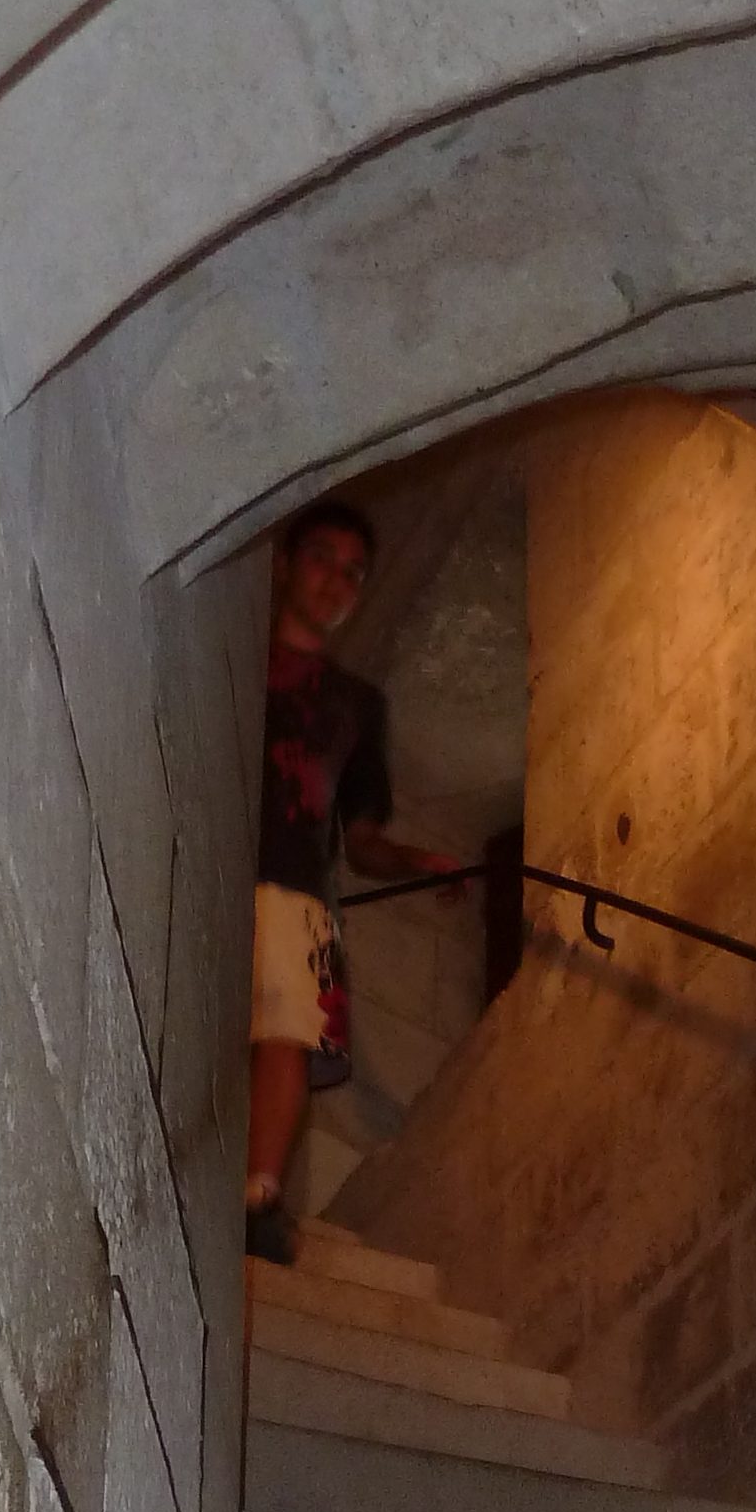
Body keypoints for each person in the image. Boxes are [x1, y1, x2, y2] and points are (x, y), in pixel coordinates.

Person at [245, 496, 466, 1261]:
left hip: (298, 887)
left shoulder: (358, 706)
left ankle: (259, 1197)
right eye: (321, 561)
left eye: (353, 573)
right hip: (215, 864)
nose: (336, 583)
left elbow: (362, 838)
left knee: (286, 1033)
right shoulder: (232, 661)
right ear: (284, 565)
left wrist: (418, 860)